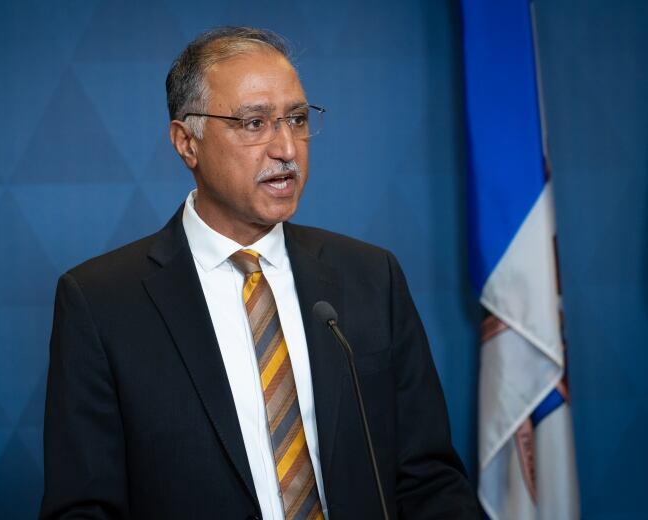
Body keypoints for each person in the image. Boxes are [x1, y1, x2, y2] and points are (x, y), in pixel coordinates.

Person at [40, 27, 478, 519]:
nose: (287, 148)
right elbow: (83, 509)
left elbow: (430, 480)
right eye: (254, 124)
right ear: (187, 143)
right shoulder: (101, 303)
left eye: (296, 119)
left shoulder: (371, 277)